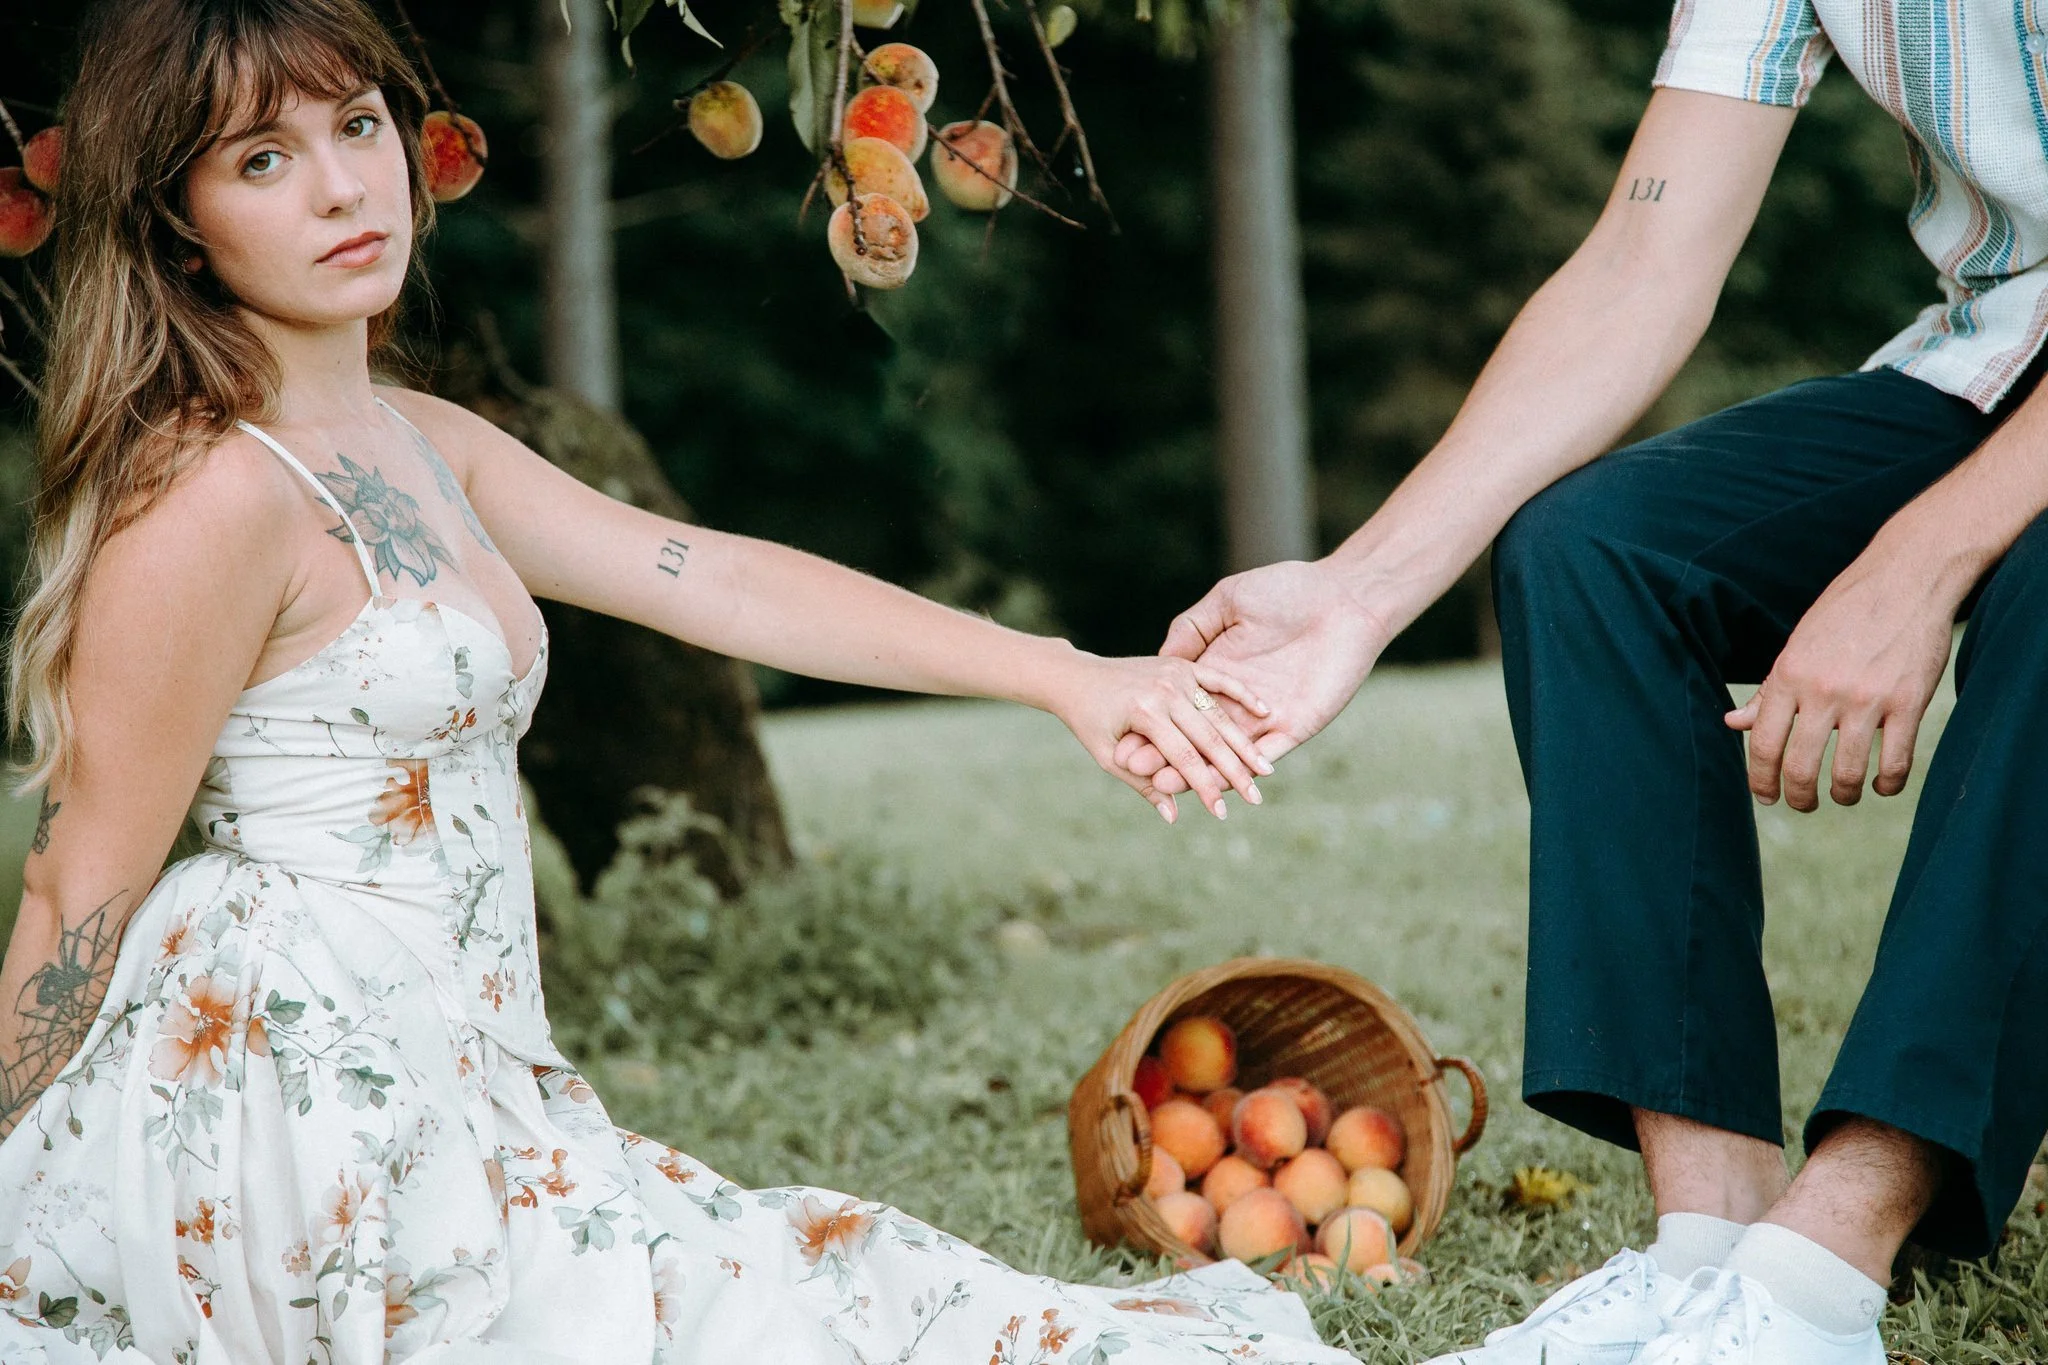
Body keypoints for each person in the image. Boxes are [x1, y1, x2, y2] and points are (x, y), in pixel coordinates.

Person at [0, 2, 1365, 1361]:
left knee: (855, 1297)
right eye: (261, 160)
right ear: (178, 219)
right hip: (292, 1103)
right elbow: (76, 890)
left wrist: (1061, 674)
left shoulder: (418, 439)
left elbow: (714, 580)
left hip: (466, 1082)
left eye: (356, 126)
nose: (346, 186)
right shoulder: (204, 499)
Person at [1125, 4, 2048, 1364]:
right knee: (1594, 551)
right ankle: (1713, 1251)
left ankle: (1821, 1276)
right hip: (1995, 362)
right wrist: (1363, 589)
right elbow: (1643, 256)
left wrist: (1912, 565)